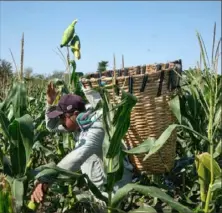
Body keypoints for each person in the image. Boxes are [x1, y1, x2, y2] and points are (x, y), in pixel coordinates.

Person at [31, 82, 134, 206]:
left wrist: (46, 179)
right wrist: (50, 104)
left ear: (75, 115)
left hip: (115, 191)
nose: (60, 121)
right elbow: (51, 127)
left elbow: (79, 155)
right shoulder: (79, 125)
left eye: (62, 118)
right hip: (101, 191)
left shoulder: (97, 127)